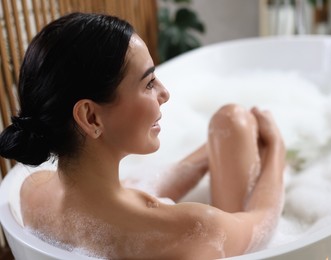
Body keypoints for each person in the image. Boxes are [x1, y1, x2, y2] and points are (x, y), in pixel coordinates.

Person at [0, 13, 285, 259]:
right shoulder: (195, 231)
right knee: (235, 121)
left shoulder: (32, 192)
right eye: (149, 83)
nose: (164, 93)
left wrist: (211, 150)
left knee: (232, 121)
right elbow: (261, 221)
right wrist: (275, 148)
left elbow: (131, 203)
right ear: (90, 117)